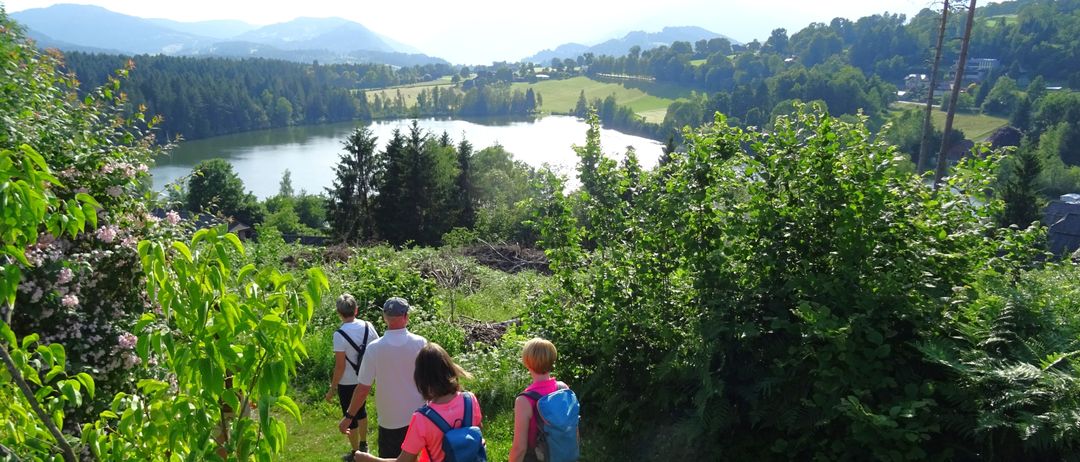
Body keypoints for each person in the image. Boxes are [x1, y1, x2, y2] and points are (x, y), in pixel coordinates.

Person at [350, 342, 483, 462]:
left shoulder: (422, 419)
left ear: (421, 378)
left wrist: (369, 459)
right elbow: (477, 432)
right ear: (449, 368)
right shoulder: (470, 400)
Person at [340, 297, 427, 459]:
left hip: (390, 418)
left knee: (391, 457)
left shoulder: (374, 349)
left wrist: (349, 416)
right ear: (406, 316)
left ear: (384, 317)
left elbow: (363, 389)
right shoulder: (421, 343)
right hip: (419, 415)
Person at [325, 294, 380, 458]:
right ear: (356, 310)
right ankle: (364, 444)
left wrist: (332, 388)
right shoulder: (368, 326)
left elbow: (340, 367)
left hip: (347, 381)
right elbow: (377, 347)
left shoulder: (339, 335)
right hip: (365, 378)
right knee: (361, 411)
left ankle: (356, 453)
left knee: (350, 415)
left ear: (338, 312)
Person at [509, 338, 567, 462]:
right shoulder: (563, 389)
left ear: (527, 362)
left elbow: (520, 448)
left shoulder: (524, 400)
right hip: (562, 454)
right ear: (552, 359)